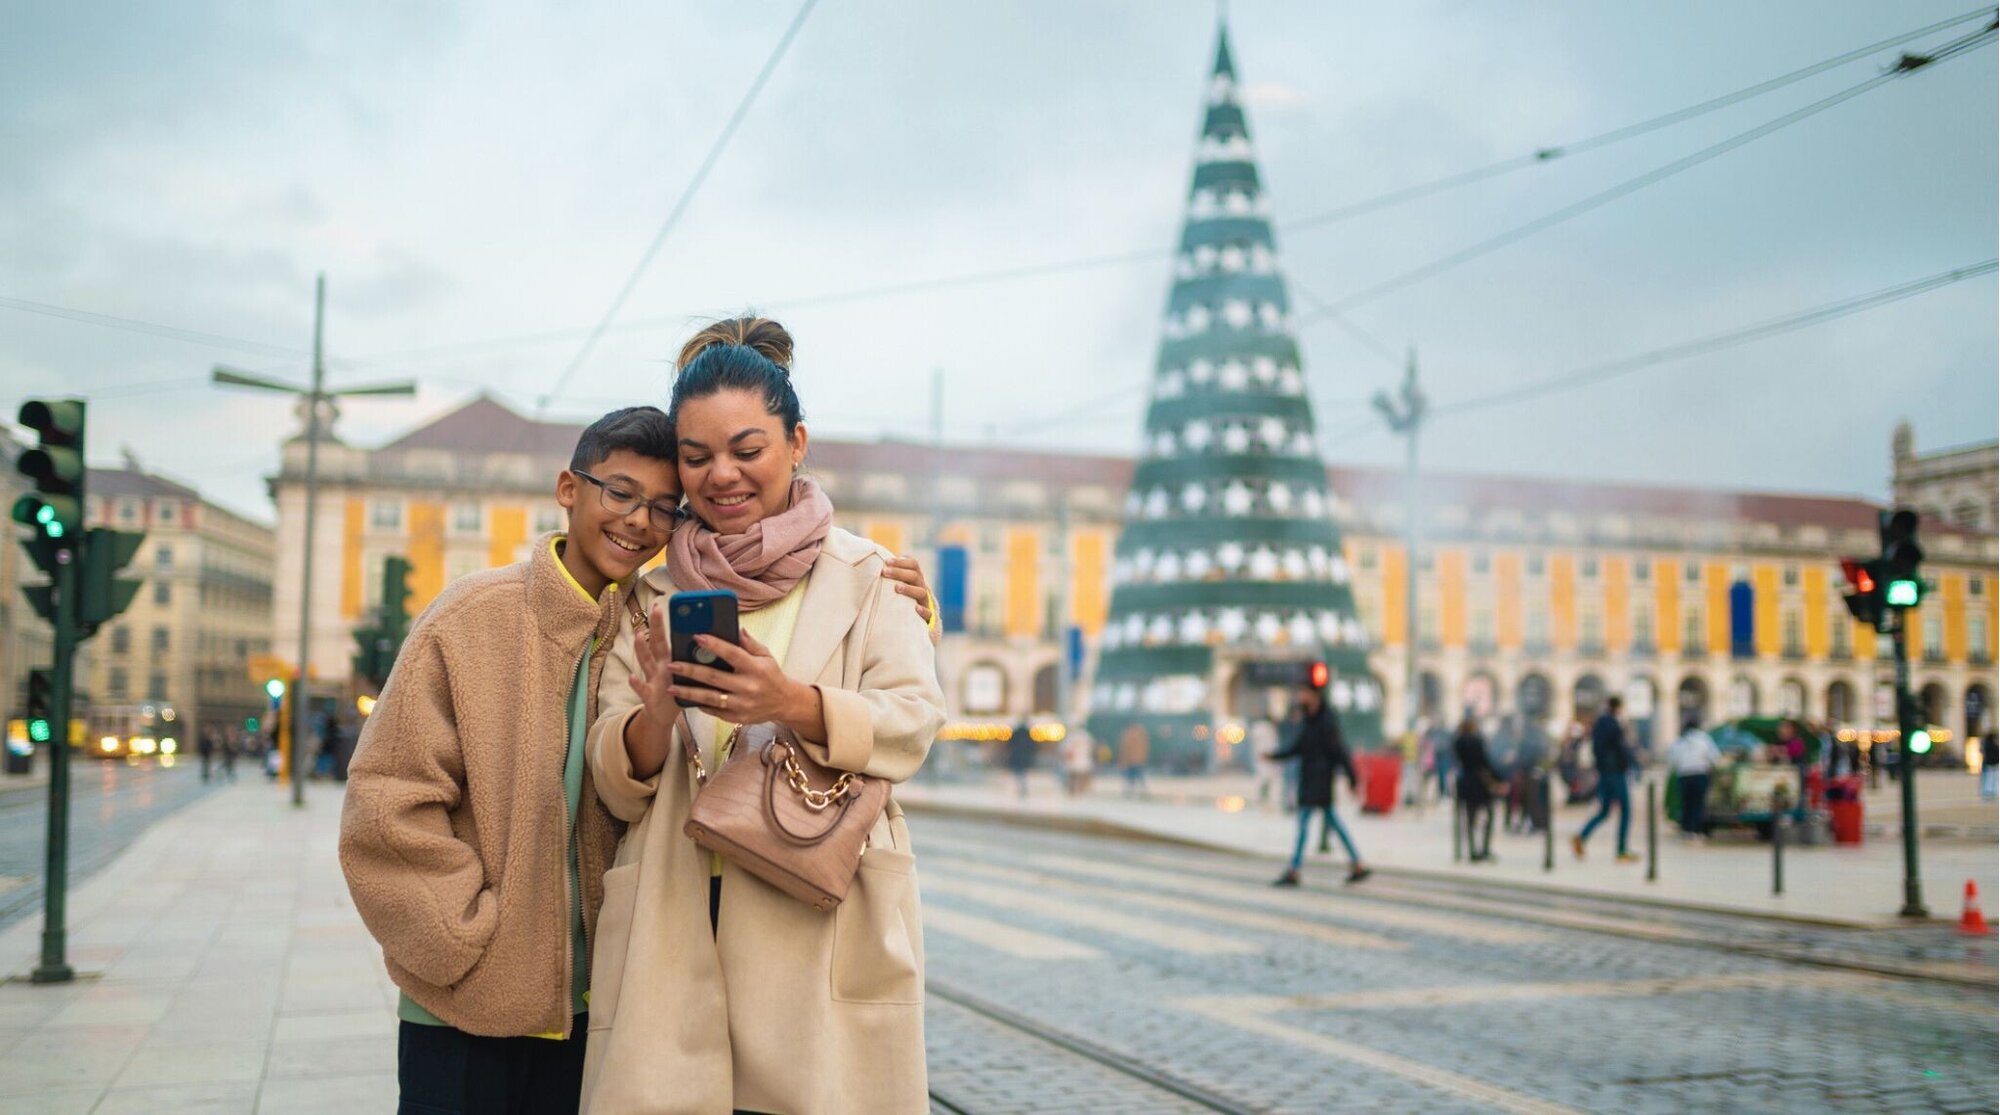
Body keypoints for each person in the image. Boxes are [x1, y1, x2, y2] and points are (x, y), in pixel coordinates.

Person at [582, 317, 946, 1114]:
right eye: (697, 455)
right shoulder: (652, 595)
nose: (723, 475)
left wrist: (793, 704)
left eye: (748, 450)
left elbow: (915, 720)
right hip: (680, 916)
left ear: (796, 443)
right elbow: (614, 780)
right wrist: (653, 714)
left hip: (818, 913)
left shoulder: (870, 576)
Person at [339, 405, 680, 1114]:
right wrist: (463, 941)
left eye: (662, 508)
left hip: (594, 1014)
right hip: (465, 1010)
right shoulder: (471, 617)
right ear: (569, 489)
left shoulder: (651, 627)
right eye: (620, 492)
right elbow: (385, 802)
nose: (639, 521)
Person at [1267, 682, 1371, 886]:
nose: (1301, 697)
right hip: (1311, 781)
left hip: (1321, 782)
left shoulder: (1326, 721)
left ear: (1315, 696)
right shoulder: (1308, 720)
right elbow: (1297, 748)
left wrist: (1352, 778)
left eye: (1304, 693)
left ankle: (1295, 870)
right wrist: (1273, 756)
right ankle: (1356, 863)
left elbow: (1339, 750)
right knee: (1329, 824)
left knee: (1307, 826)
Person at [1572, 695, 1640, 863]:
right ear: (1619, 708)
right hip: (1615, 772)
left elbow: (1598, 749)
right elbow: (1621, 748)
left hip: (1604, 771)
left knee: (1604, 811)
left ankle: (1581, 837)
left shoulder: (1599, 724)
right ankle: (1621, 849)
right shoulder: (1614, 724)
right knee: (1626, 810)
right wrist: (1631, 762)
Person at [1452, 716, 1502, 863]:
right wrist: (1499, 779)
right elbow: (1484, 762)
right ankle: (1484, 849)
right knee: (1489, 814)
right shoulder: (1477, 741)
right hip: (1479, 784)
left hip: (1465, 783)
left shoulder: (1457, 742)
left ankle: (1472, 850)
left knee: (1469, 817)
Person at [1665, 716, 1721, 838]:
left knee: (1686, 803)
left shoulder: (1680, 741)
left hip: (1684, 775)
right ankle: (1697, 830)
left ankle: (1686, 829)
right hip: (1700, 773)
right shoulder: (1704, 739)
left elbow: (1672, 760)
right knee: (1699, 803)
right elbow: (1714, 757)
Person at [1060, 724, 1095, 797]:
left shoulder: (1071, 737)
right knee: (1078, 775)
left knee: (1075, 776)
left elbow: (1066, 750)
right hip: (1079, 760)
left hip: (1076, 760)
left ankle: (1076, 790)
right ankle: (1078, 790)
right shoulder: (1086, 736)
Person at [1118, 720, 1151, 797]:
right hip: (1138, 759)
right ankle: (1141, 789)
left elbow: (1124, 748)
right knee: (1137, 774)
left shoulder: (1127, 734)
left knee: (1132, 775)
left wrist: (1122, 759)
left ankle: (1131, 789)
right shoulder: (1142, 734)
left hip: (1130, 759)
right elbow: (1145, 748)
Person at [1006, 718, 1036, 799]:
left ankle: (1021, 787)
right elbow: (1032, 746)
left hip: (1018, 756)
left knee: (1019, 772)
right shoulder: (1027, 734)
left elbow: (1010, 744)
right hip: (1023, 757)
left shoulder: (1017, 733)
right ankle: (1022, 788)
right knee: (1022, 773)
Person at [1981, 729, 1998, 801]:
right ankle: (1991, 790)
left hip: (1989, 763)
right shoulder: (1992, 745)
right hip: (1992, 763)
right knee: (1993, 778)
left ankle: (1989, 790)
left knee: (1989, 778)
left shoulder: (1986, 744)